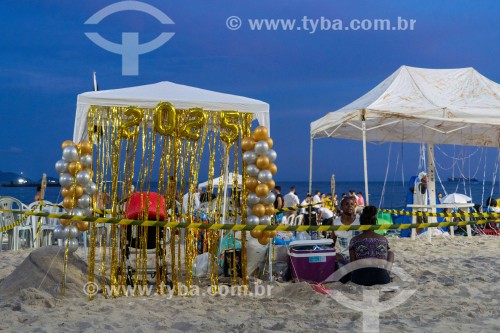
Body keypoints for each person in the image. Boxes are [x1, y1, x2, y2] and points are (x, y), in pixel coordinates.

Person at [349, 205, 394, 286]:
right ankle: (388, 273)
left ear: (361, 223)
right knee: (391, 253)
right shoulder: (383, 239)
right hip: (381, 277)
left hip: (359, 278)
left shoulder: (354, 240)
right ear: (375, 223)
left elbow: (353, 263)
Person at [332, 196, 362, 264]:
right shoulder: (335, 222)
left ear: (354, 206)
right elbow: (332, 242)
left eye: (352, 204)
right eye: (347, 204)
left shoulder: (360, 220)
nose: (349, 206)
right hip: (343, 257)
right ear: (341, 207)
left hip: (359, 255)